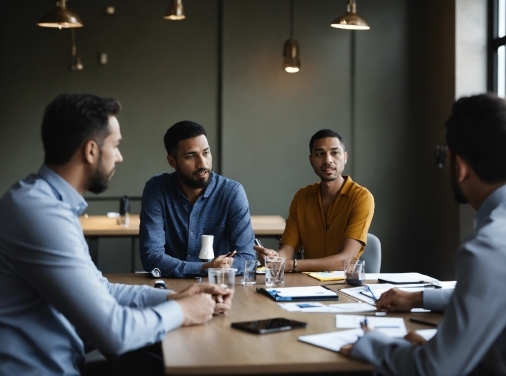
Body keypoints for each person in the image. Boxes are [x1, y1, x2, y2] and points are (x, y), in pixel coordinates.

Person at [0, 94, 233, 375]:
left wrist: (176, 297)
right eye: (116, 145)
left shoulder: (46, 203)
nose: (120, 157)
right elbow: (114, 332)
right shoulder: (39, 213)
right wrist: (184, 312)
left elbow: (103, 289)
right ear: (90, 151)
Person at [340, 94, 506, 375]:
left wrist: (373, 342)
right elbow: (492, 290)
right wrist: (417, 299)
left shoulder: (489, 249)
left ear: (460, 167)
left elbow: (433, 370)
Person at [139, 121, 256, 277]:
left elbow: (248, 258)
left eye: (206, 153)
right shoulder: (157, 189)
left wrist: (224, 266)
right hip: (171, 288)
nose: (202, 164)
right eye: (191, 156)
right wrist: (205, 268)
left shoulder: (232, 192)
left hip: (218, 287)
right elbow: (151, 257)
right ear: (172, 161)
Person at [255, 129, 375, 273]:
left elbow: (345, 260)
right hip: (308, 284)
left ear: (345, 157)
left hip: (344, 285)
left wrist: (291, 265)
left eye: (334, 153)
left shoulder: (361, 197)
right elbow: (286, 252)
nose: (328, 160)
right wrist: (274, 258)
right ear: (311, 159)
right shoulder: (302, 197)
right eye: (320, 154)